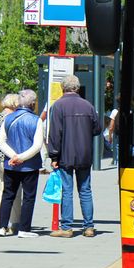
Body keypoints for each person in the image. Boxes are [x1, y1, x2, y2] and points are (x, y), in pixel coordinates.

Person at [47, 75, 100, 238]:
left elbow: (55, 134)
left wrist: (53, 156)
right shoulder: (88, 106)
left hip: (65, 155)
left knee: (67, 190)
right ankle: (89, 227)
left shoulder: (58, 106)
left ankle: (67, 228)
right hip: (85, 154)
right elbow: (97, 129)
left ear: (63, 88)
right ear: (77, 88)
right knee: (85, 190)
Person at [0, 89, 45, 238]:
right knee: (29, 197)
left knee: (7, 195)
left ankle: (2, 227)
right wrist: (22, 158)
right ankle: (24, 229)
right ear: (32, 103)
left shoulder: (8, 118)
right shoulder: (36, 120)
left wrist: (13, 156)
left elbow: (0, 141)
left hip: (10, 164)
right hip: (30, 165)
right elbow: (37, 145)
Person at [0, 93, 23, 232]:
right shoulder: (15, 118)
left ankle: (1, 220)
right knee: (15, 189)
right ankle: (14, 221)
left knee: (1, 188)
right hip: (11, 157)